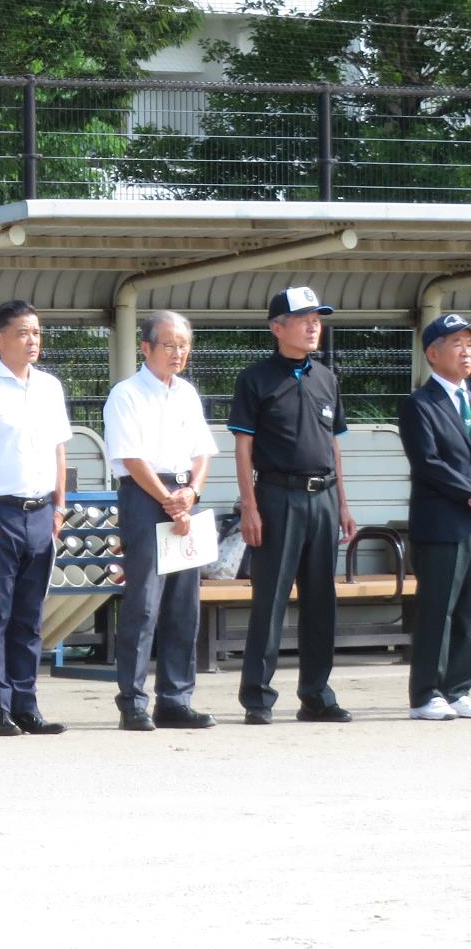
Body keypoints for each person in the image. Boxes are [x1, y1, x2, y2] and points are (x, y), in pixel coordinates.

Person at [230, 285, 356, 725]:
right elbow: (243, 448)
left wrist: (342, 502)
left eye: (317, 318)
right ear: (277, 327)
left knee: (323, 600)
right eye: (304, 318)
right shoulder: (255, 378)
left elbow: (333, 445)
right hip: (277, 498)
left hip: (322, 498)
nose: (313, 326)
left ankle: (317, 694)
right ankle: (258, 698)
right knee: (271, 600)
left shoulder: (326, 377)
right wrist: (249, 506)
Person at [0, 299, 73, 737]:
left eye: (37, 332)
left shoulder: (49, 388)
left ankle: (27, 704)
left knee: (29, 617)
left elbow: (59, 449)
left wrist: (59, 506)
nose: (33, 340)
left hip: (40, 512)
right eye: (23, 332)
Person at [102, 310, 218, 731]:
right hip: (146, 496)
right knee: (144, 603)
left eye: (183, 345)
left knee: (184, 605)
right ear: (146, 347)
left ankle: (176, 698)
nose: (177, 353)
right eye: (168, 344)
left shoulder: (187, 393)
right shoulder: (126, 394)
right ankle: (133, 701)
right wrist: (170, 500)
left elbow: (202, 451)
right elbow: (131, 458)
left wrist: (191, 493)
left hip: (185, 498)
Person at [397, 312, 471, 722]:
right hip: (442, 522)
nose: (466, 351)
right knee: (437, 609)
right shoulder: (419, 404)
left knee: (467, 611)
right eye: (457, 343)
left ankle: (458, 688)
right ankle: (426, 693)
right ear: (433, 353)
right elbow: (428, 462)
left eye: (469, 343)